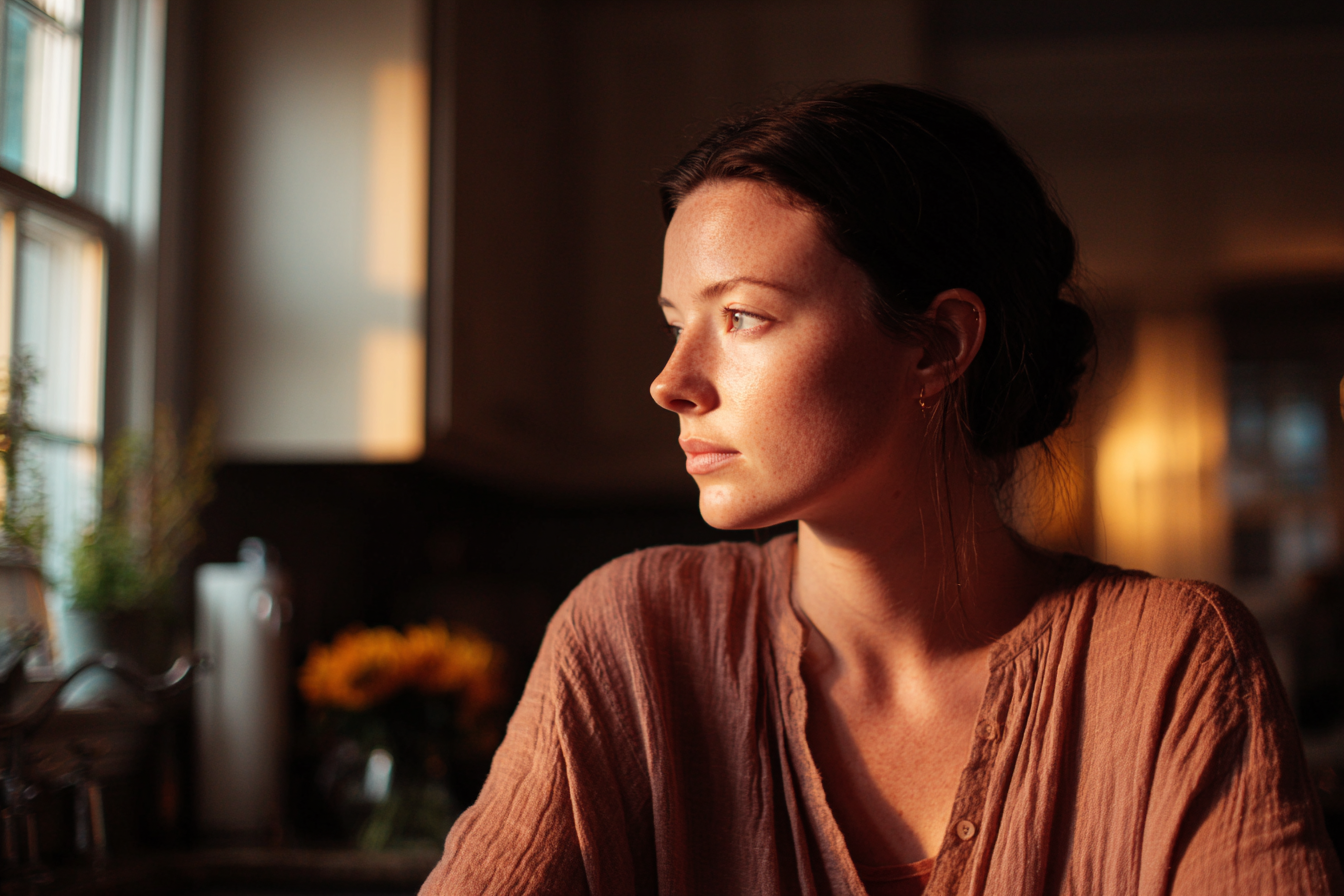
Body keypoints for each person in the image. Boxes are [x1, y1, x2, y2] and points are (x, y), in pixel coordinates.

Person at [419, 83, 1342, 895]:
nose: (671, 381)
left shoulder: (1172, 663)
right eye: (675, 323)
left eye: (742, 317)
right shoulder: (632, 639)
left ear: (937, 344)